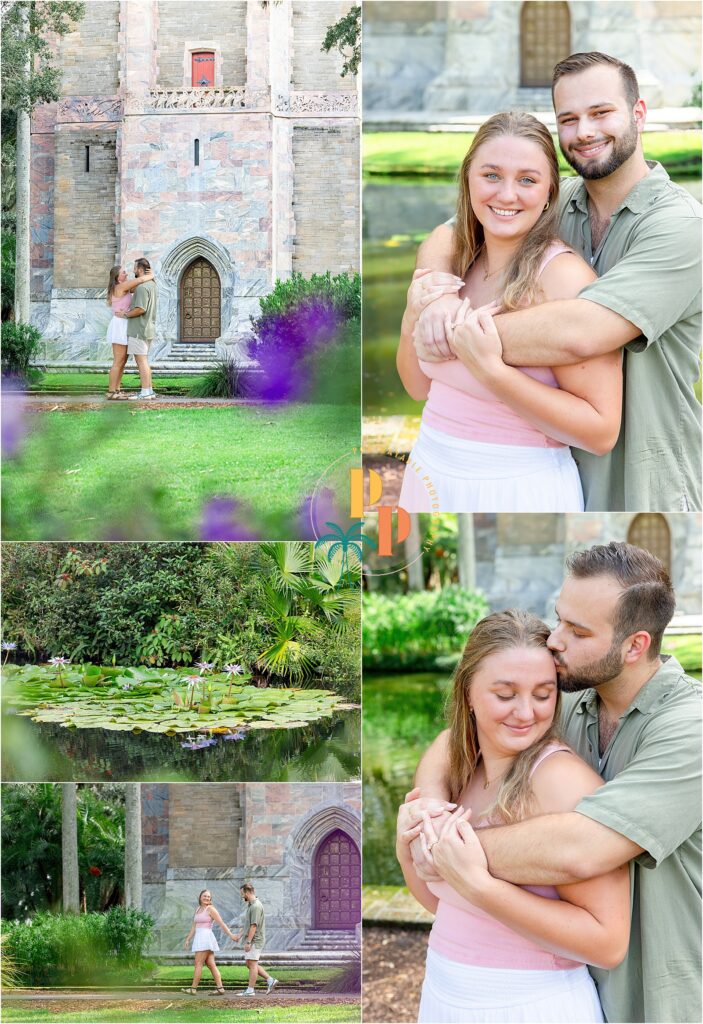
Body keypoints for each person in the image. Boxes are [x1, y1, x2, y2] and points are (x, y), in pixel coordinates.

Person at [403, 542, 702, 1024]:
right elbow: (456, 738)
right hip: (568, 974)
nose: (556, 640)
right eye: (559, 618)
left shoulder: (692, 729)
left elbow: (582, 847)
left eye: (577, 630)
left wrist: (448, 846)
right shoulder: (567, 697)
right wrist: (431, 809)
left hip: (662, 992)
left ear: (634, 646)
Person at [408, 52, 701, 512]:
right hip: (549, 458)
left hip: (642, 482)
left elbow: (581, 332)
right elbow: (451, 232)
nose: (584, 131)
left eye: (601, 112)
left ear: (638, 114)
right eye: (569, 118)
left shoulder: (682, 227)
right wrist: (438, 294)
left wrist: (451, 333)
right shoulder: (553, 198)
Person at [396, 608, 629, 1023]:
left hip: (534, 1004)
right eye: (505, 695)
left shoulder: (562, 782)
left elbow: (608, 943)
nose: (526, 713)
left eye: (543, 694)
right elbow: (442, 905)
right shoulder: (461, 765)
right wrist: (405, 849)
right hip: (443, 993)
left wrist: (482, 886)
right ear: (467, 692)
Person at [397, 111, 622, 512]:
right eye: (491, 175)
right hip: (429, 468)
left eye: (527, 180)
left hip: (517, 483)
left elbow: (601, 432)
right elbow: (418, 388)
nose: (506, 195)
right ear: (467, 179)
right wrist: (413, 317)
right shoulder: (456, 262)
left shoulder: (563, 278)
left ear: (551, 191)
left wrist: (493, 372)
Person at [105, 264, 154, 400]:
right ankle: (111, 392)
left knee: (123, 360)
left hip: (126, 323)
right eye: (123, 273)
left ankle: (117, 390)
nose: (126, 274)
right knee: (118, 360)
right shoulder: (120, 287)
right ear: (117, 277)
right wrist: (150, 275)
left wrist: (149, 279)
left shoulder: (125, 288)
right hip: (120, 325)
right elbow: (138, 281)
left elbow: (140, 286)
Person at [181, 888, 238, 995]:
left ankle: (193, 989)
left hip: (205, 938)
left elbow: (221, 923)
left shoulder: (211, 909)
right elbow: (194, 926)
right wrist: (188, 938)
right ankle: (220, 988)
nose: (207, 898)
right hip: (199, 937)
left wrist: (231, 935)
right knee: (211, 964)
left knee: (198, 964)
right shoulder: (198, 909)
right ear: (200, 897)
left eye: (208, 896)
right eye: (205, 896)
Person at [232, 883, 278, 996]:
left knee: (252, 964)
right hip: (252, 939)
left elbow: (253, 925)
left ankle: (250, 990)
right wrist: (239, 934)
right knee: (249, 963)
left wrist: (248, 942)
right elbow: (247, 923)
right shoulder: (251, 905)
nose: (242, 896)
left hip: (255, 940)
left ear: (247, 893)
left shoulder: (256, 906)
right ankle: (270, 980)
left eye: (243, 894)